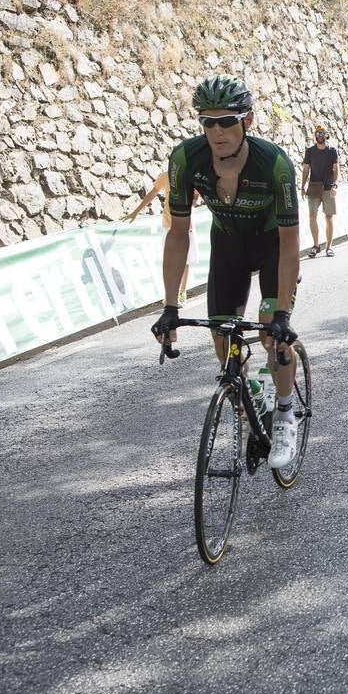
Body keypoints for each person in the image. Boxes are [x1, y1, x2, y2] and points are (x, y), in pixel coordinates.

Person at [151, 74, 303, 470]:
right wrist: (171, 306)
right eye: (207, 122)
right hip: (229, 247)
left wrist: (282, 315)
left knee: (273, 334)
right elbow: (178, 235)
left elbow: (289, 244)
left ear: (247, 121)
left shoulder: (275, 164)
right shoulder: (186, 159)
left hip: (272, 246)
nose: (216, 131)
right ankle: (252, 393)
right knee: (223, 341)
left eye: (227, 121)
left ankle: (285, 414)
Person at [126, 171, 197, 306]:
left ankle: (182, 292)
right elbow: (153, 193)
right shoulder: (165, 176)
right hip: (168, 225)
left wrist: (190, 202)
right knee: (170, 261)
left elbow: (197, 197)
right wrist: (136, 211)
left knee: (185, 260)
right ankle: (171, 295)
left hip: (186, 225)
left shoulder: (191, 176)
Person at [302, 124, 339, 258]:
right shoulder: (310, 151)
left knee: (328, 217)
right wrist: (302, 186)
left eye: (322, 133)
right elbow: (306, 169)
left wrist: (335, 185)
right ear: (315, 136)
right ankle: (316, 246)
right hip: (313, 187)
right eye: (317, 134)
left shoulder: (332, 151)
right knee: (312, 215)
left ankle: (329, 247)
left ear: (326, 135)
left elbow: (336, 169)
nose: (319, 136)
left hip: (328, 188)